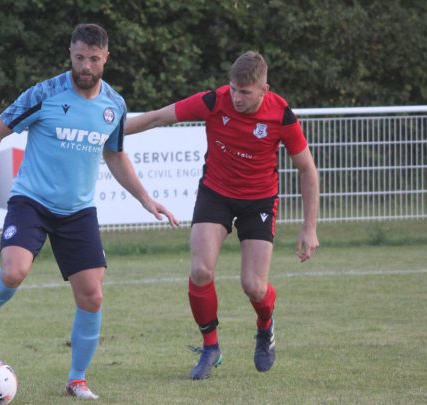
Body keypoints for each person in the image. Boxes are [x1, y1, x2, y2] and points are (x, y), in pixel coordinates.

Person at [0, 23, 179, 399]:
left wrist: (145, 198)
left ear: (106, 57)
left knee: (92, 296)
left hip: (77, 212)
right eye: (80, 58)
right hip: (31, 201)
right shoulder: (44, 93)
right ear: (70, 54)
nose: (86, 66)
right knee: (14, 271)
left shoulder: (114, 105)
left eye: (94, 59)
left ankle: (77, 379)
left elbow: (115, 154)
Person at [125, 51, 319, 380]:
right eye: (233, 89)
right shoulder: (215, 101)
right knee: (201, 270)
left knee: (253, 286)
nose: (237, 97)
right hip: (215, 192)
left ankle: (265, 325)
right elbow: (159, 117)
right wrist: (111, 134)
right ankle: (211, 347)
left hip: (259, 200)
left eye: (245, 92)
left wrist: (309, 228)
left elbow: (307, 170)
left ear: (264, 89)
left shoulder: (282, 115)